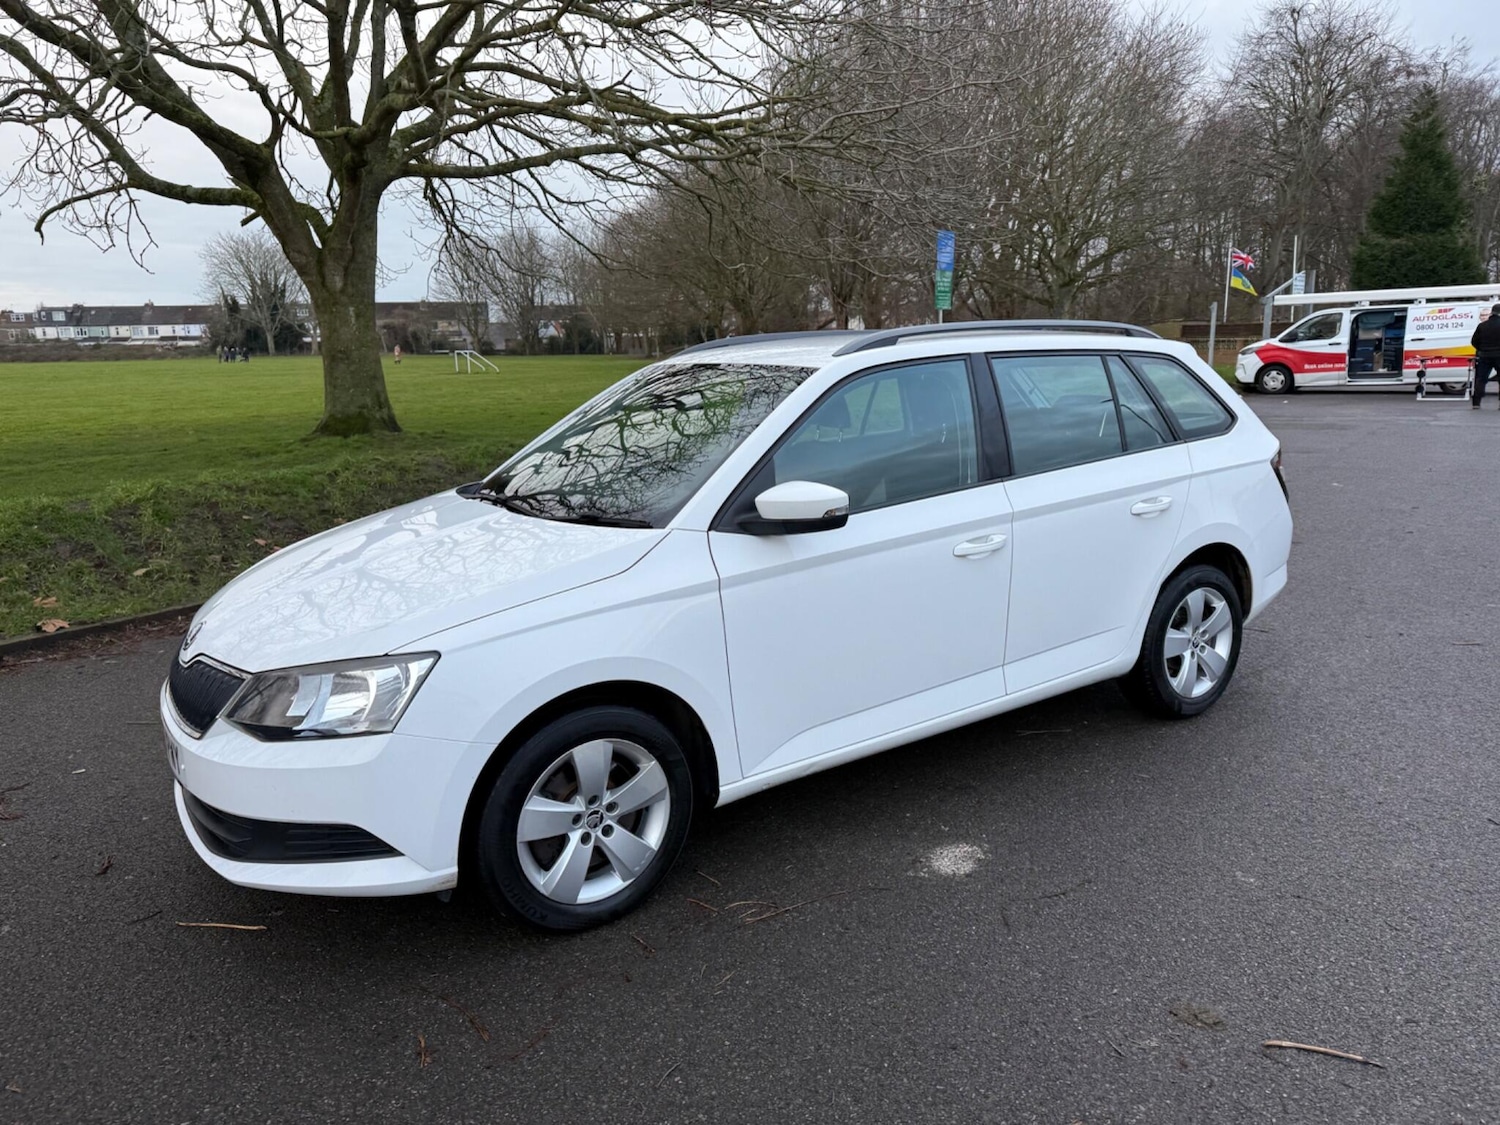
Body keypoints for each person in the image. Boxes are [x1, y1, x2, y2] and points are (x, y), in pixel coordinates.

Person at [1471, 305, 1500, 409]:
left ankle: (1476, 403)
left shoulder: (1482, 326)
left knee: (1481, 379)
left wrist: (1481, 349)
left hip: (1484, 355)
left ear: (1492, 313)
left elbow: (1474, 341)